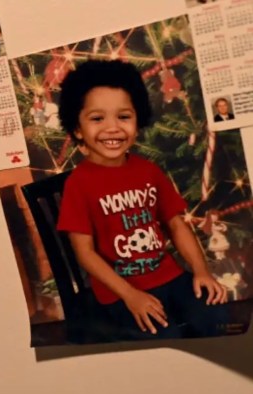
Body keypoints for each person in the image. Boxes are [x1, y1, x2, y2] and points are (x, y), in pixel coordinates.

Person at [55, 60, 228, 340]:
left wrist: (201, 271)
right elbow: (84, 253)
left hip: (168, 276)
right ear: (77, 128)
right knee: (165, 337)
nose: (113, 128)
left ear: (138, 121)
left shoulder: (148, 170)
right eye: (97, 119)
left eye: (123, 117)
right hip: (120, 290)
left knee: (216, 318)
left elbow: (176, 225)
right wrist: (130, 295)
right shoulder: (79, 184)